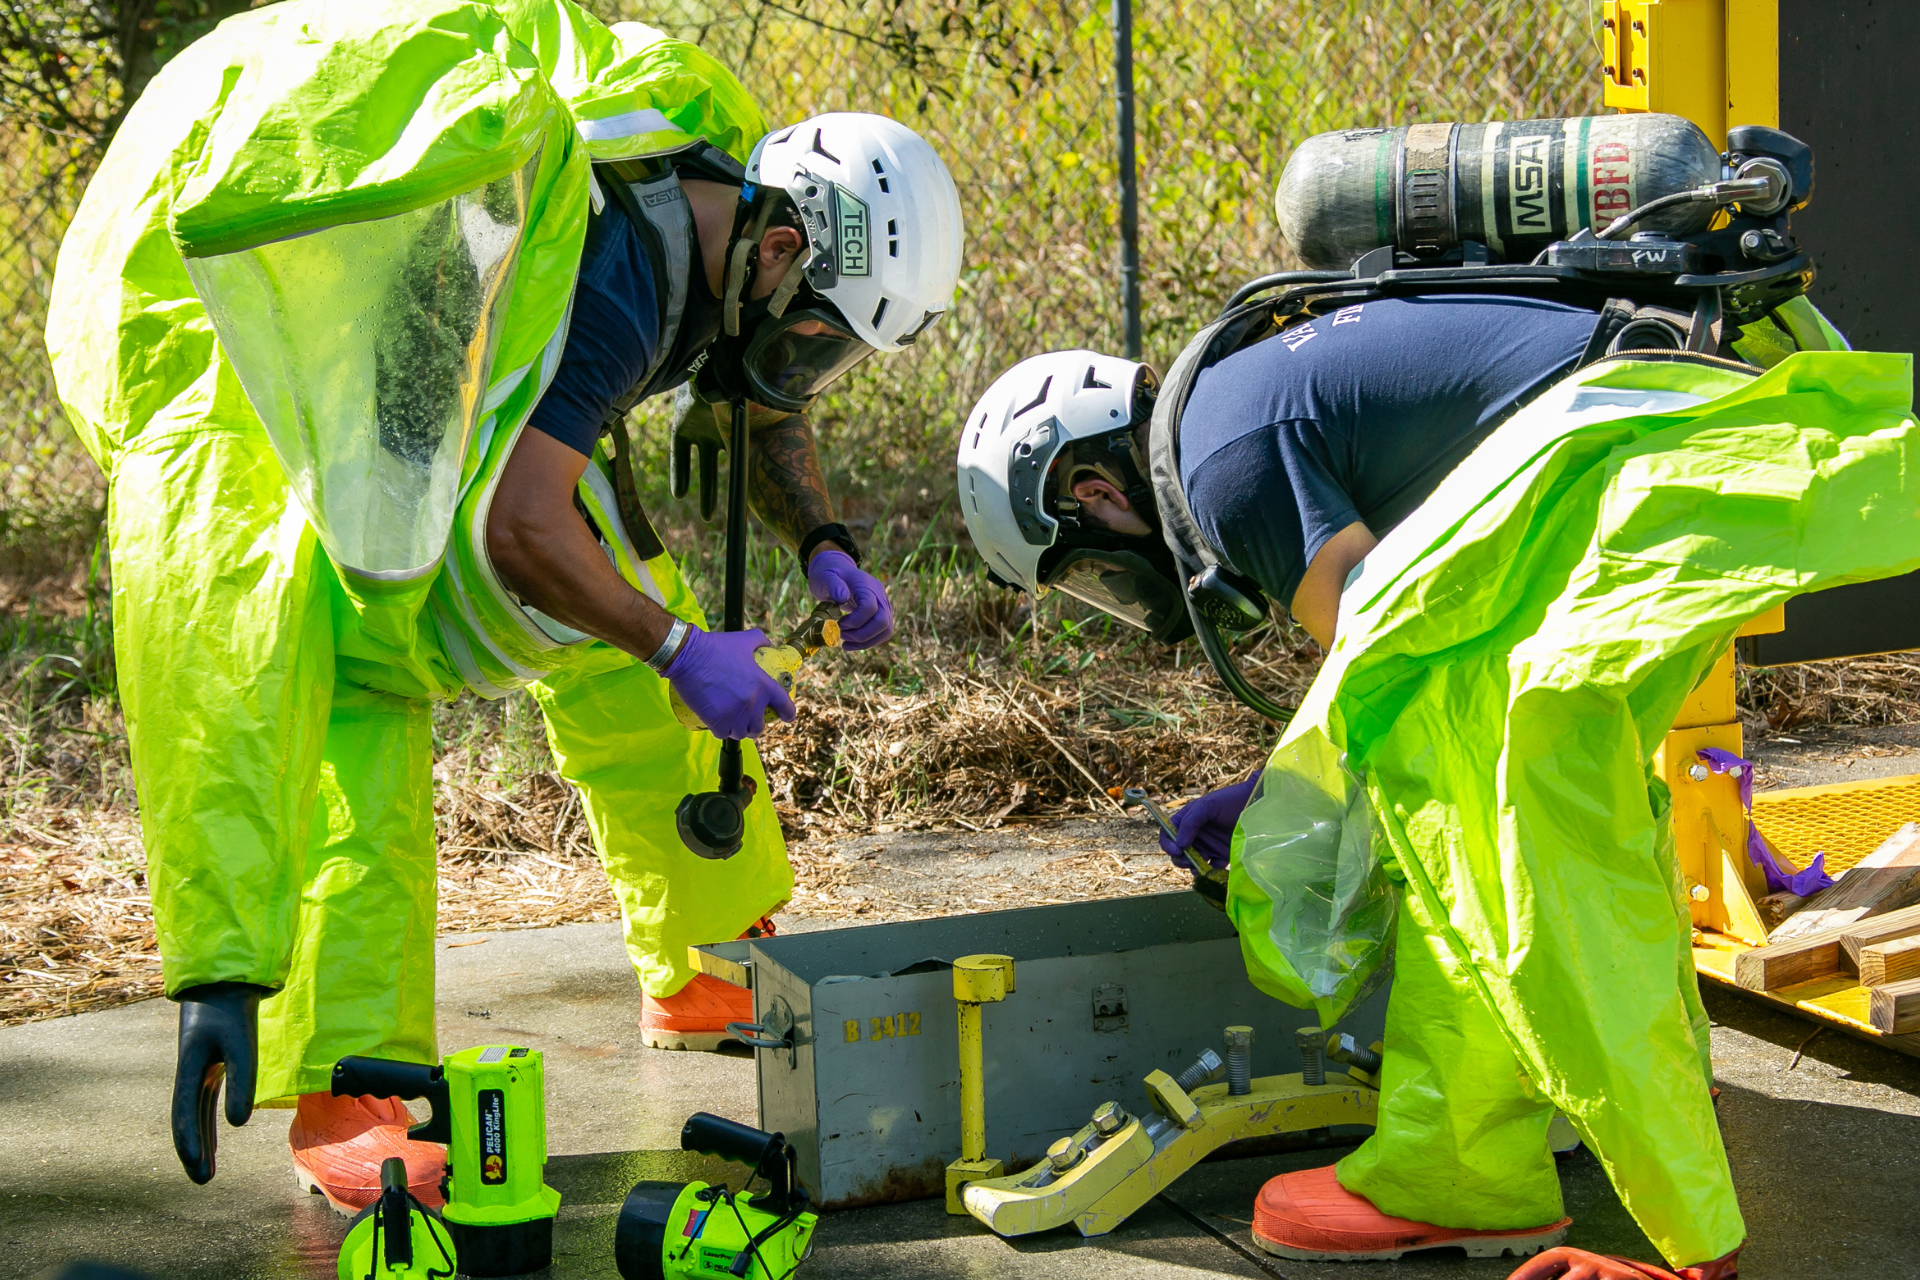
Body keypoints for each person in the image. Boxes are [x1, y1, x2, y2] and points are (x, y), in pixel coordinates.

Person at [46, 0, 961, 1212]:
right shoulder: (621, 284)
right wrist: (219, 972)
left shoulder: (718, 198)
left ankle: (703, 959)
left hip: (421, 326)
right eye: (815, 341)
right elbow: (498, 537)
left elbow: (755, 391)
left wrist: (822, 539)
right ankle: (349, 1081)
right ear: (783, 250)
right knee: (360, 670)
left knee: (630, 616)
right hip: (212, 279)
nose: (802, 369)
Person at [955, 293, 1917, 1279]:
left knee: (1511, 844)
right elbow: (1396, 654)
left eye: (1090, 575)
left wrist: (1279, 801)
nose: (1118, 591)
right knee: (1509, 812)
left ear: (1090, 489)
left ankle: (1689, 1245)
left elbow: (1395, 663)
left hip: (1636, 463)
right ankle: (1478, 1151)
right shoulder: (1237, 395)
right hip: (1659, 442)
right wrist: (1282, 785)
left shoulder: (1222, 464)